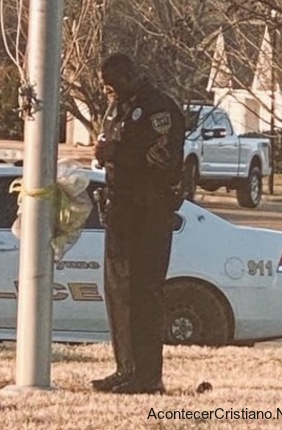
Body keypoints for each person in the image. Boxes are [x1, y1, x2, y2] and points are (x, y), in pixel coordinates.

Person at [90, 53, 185, 395]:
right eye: (106, 86)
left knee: (144, 294)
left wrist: (116, 153)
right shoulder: (118, 109)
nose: (109, 91)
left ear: (131, 75)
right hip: (120, 211)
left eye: (114, 83)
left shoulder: (160, 109)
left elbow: (163, 160)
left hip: (149, 214)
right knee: (118, 293)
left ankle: (148, 376)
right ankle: (125, 368)